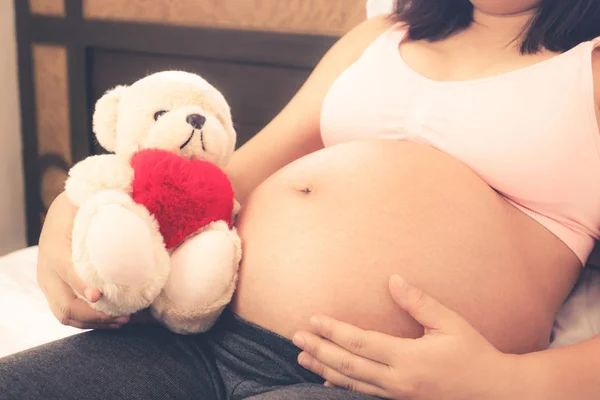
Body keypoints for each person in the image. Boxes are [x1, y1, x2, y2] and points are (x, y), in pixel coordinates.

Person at [1, 0, 599, 398]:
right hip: (198, 331)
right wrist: (79, 207)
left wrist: (507, 382)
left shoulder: (589, 69)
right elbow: (227, 180)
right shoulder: (383, 36)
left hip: (369, 382)